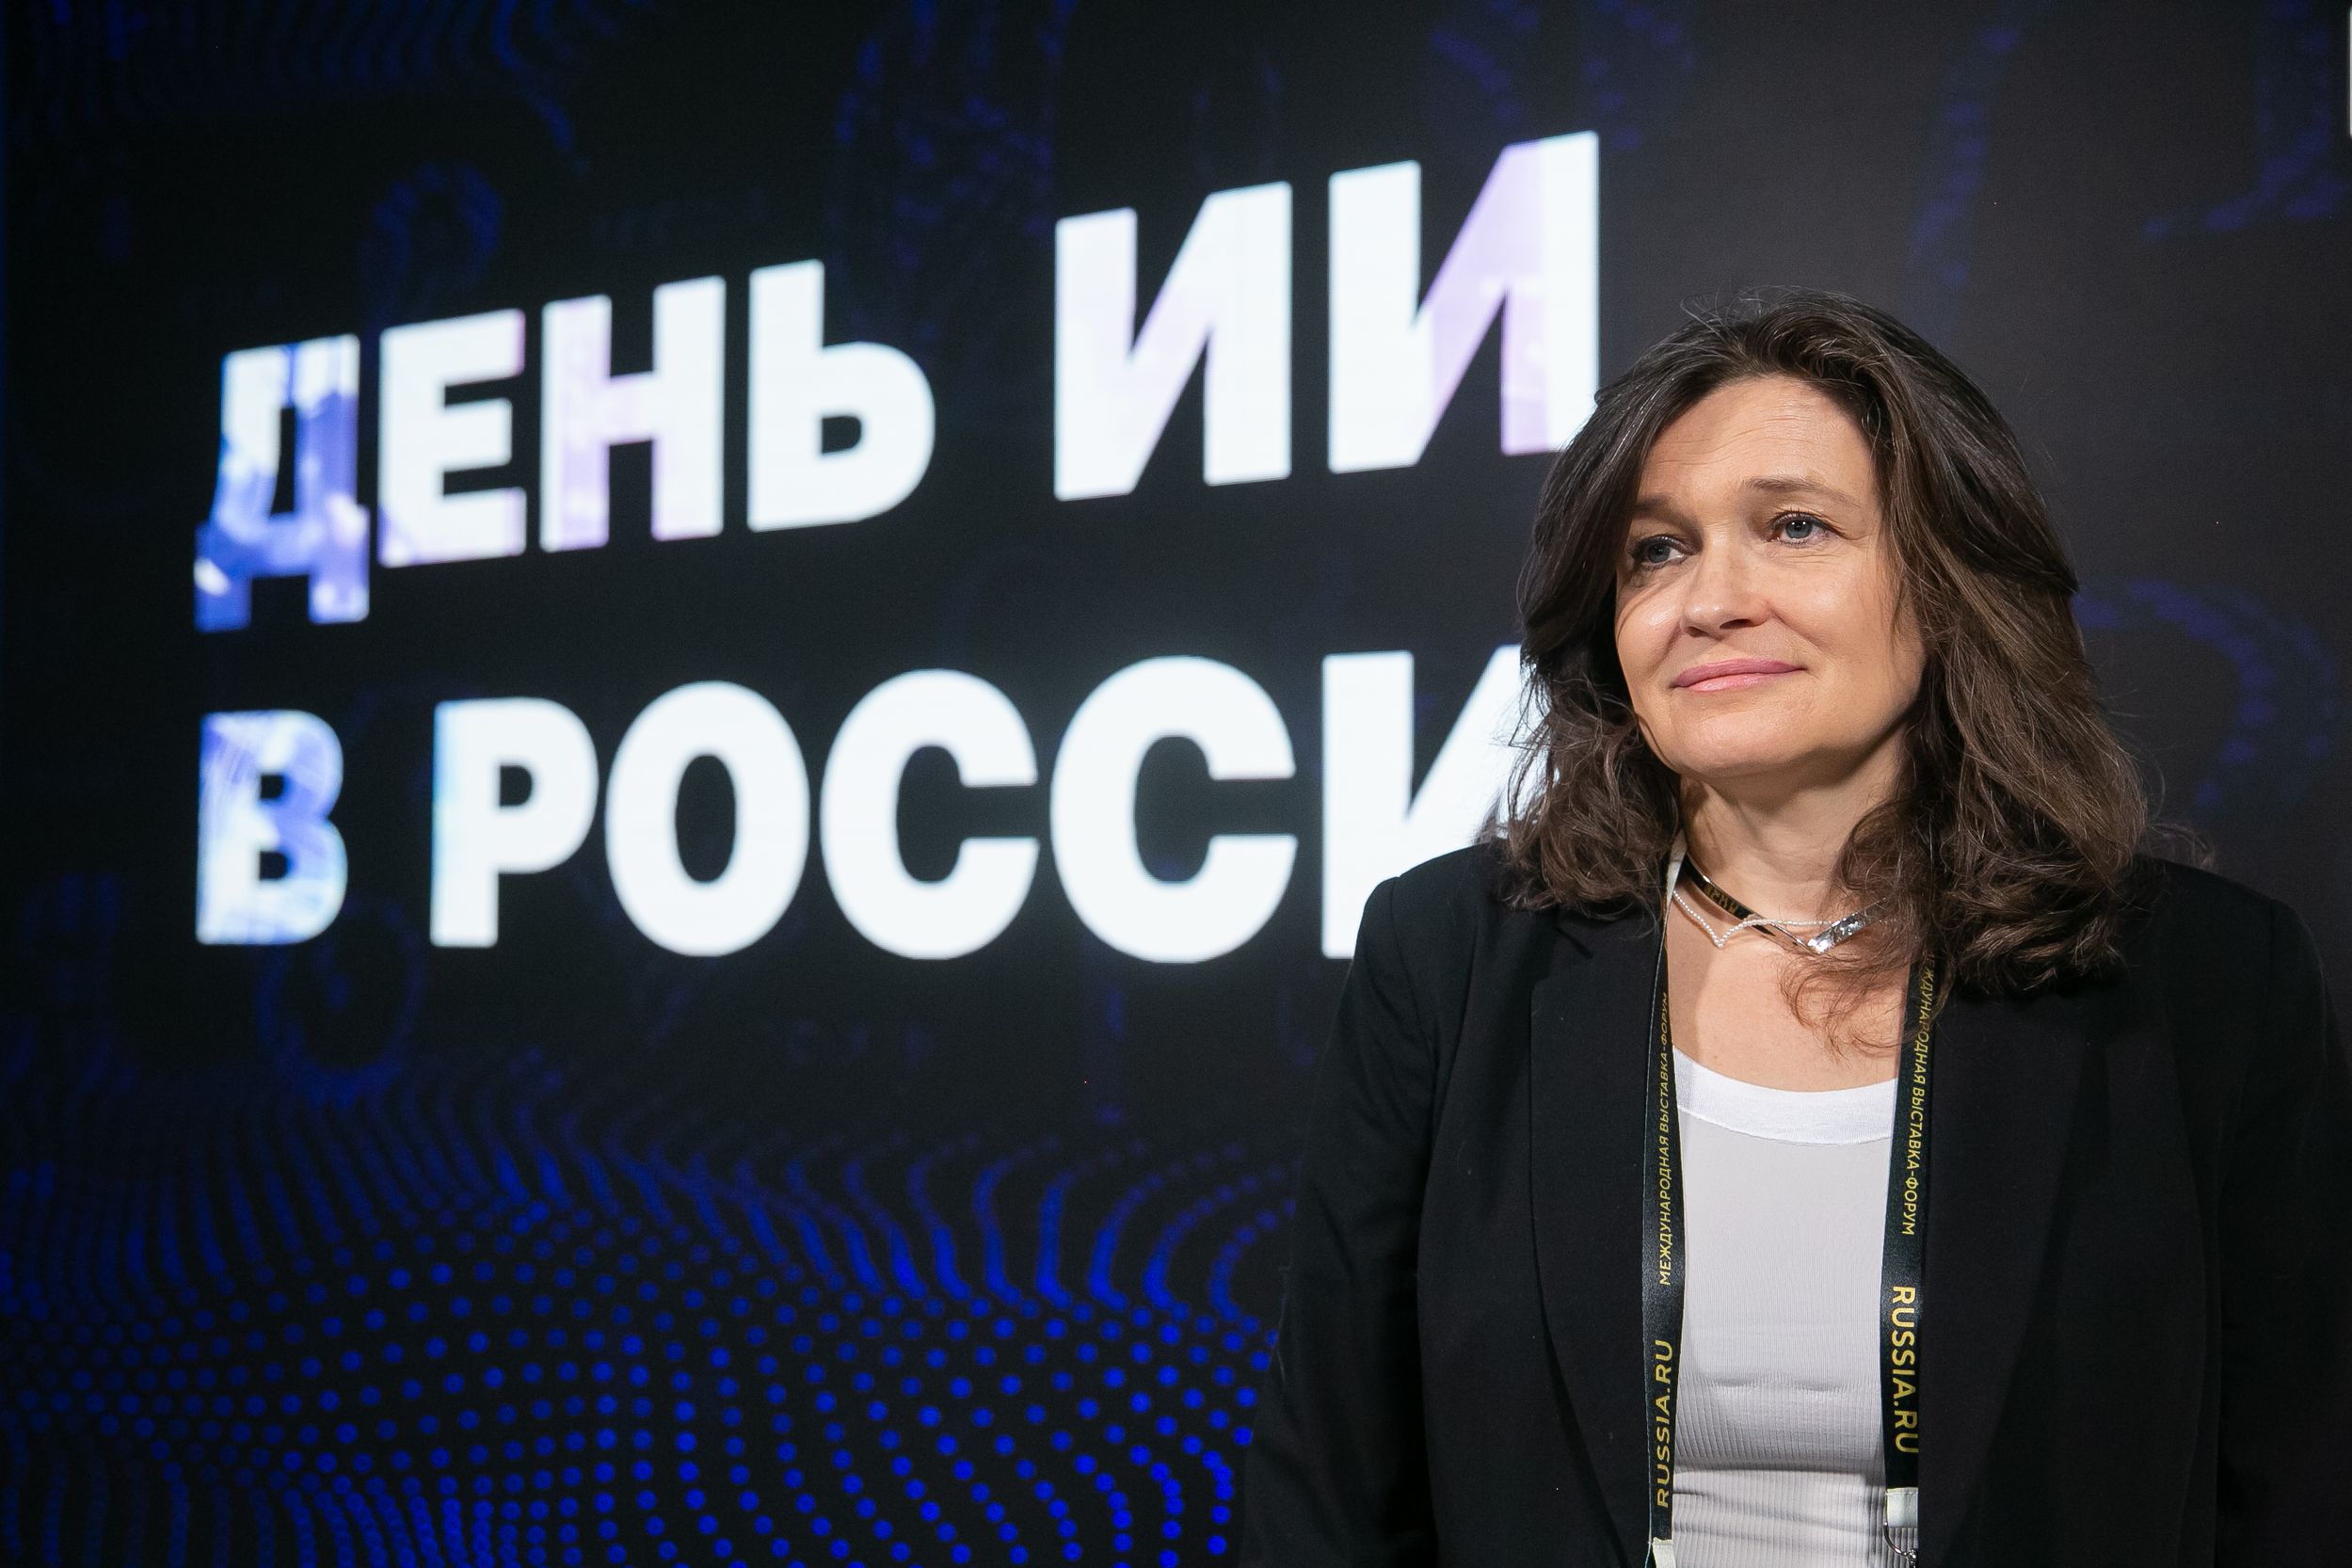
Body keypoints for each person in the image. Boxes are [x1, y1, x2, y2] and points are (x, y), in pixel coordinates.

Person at [1235, 288, 2352, 1566]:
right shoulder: (1448, 959)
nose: (1711, 598)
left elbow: (2301, 1490)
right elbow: (1326, 1494)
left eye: (1795, 526)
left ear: (1947, 581)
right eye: (1657, 550)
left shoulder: (2211, 982)